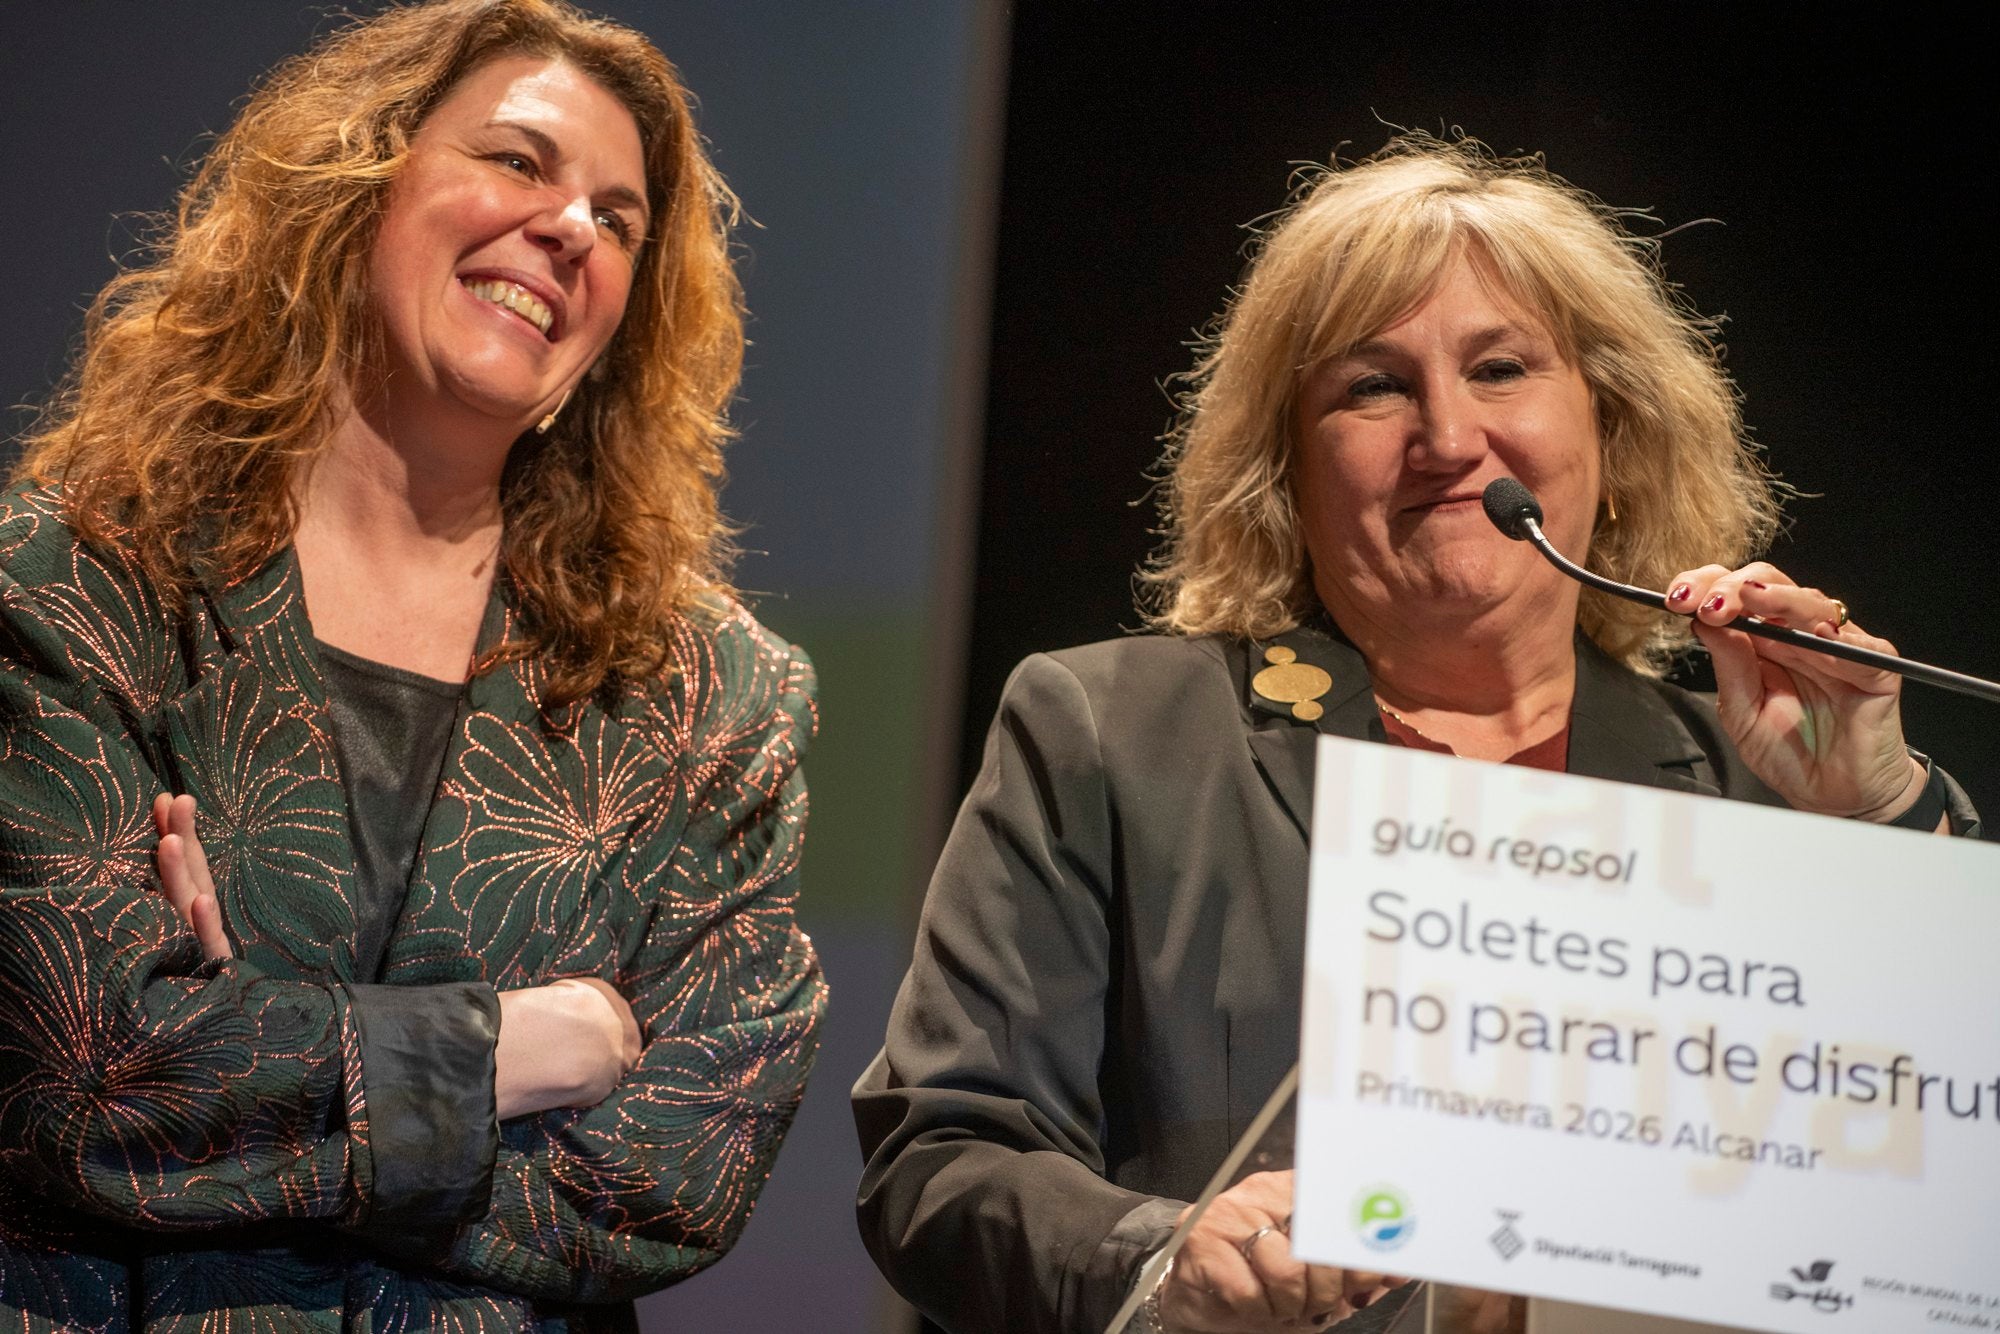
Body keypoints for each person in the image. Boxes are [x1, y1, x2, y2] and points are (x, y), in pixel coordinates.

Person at [852, 135, 1981, 1334]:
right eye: (1370, 386)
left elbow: (1919, 1210)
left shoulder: (1755, 783)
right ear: (1286, 467)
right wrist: (1161, 1259)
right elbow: (941, 1153)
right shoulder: (1115, 735)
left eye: (1499, 368)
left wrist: (1875, 815)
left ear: (1610, 425)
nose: (1446, 437)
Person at [0, 1, 823, 1328]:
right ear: (357, 181)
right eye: (518, 162)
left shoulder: (709, 695)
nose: (570, 228)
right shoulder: (80, 583)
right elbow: (90, 1081)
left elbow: (677, 1170)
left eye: (617, 219)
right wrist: (511, 1050)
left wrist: (250, 1063)